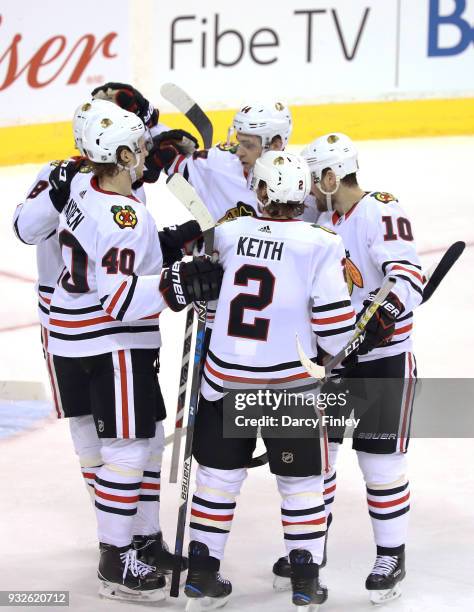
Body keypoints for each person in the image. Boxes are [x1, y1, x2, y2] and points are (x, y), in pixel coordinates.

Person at [36, 101, 223, 602]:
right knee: (126, 451)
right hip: (110, 343)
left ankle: (141, 540)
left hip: (74, 337)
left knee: (142, 440)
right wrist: (179, 286)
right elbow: (119, 299)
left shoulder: (85, 188)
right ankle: (116, 561)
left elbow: (117, 257)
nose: (145, 155)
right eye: (138, 148)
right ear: (120, 154)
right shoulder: (123, 214)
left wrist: (180, 241)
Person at [183, 151, 356, 610]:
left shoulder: (228, 232)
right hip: (289, 388)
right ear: (304, 193)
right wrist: (358, 331)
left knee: (217, 480)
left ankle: (202, 574)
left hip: (224, 381)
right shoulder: (323, 242)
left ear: (259, 190)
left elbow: (207, 304)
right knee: (301, 484)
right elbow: (335, 331)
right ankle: (304, 580)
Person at [280, 132, 420, 605]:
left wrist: (385, 314)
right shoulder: (324, 219)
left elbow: (407, 276)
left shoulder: (380, 208)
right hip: (335, 363)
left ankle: (390, 555)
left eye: (313, 175)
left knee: (380, 463)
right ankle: (311, 550)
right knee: (321, 461)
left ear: (330, 175)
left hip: (383, 361)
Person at [145, 101, 320, 224]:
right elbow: (175, 160)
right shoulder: (218, 164)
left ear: (276, 145)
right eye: (239, 141)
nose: (239, 152)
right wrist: (149, 123)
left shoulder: (302, 190)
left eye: (248, 145)